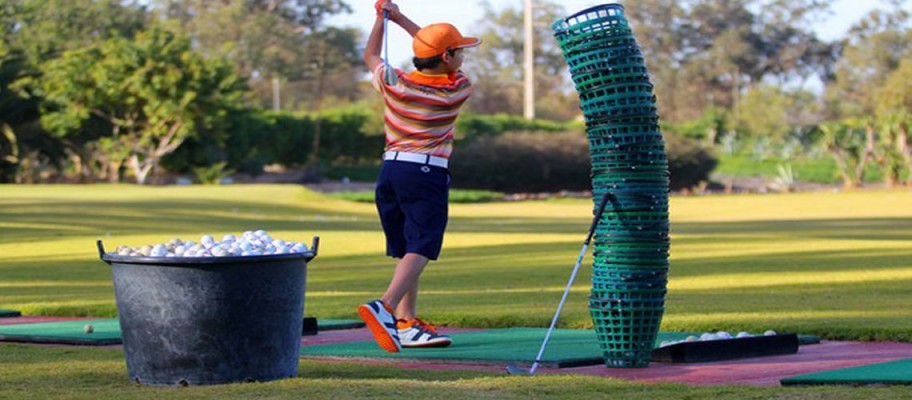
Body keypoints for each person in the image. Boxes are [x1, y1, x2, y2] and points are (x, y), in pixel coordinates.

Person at [357, 0, 481, 353]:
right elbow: (433, 50)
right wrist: (402, 21)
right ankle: (385, 306)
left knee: (408, 248)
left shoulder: (395, 84)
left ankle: (406, 322)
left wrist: (384, 20)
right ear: (447, 57)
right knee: (424, 244)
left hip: (391, 170)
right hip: (425, 172)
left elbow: (370, 55)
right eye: (459, 51)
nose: (463, 58)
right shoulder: (456, 89)